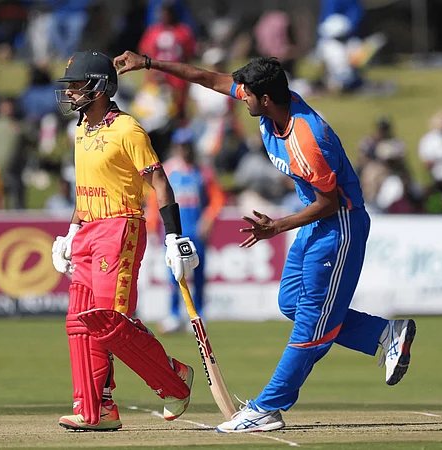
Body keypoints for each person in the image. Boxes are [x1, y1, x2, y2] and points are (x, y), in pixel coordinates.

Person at [114, 50, 417, 433]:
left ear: (267, 99)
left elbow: (330, 203)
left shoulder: (307, 139)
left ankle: (267, 408)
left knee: (311, 325)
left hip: (339, 226)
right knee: (291, 302)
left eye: (248, 95)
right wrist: (149, 63)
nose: (241, 98)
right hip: (315, 222)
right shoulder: (269, 103)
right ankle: (384, 334)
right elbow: (209, 79)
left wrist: (277, 227)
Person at [51, 50, 198, 431]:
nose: (70, 93)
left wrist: (174, 237)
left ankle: (173, 379)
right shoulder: (81, 129)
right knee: (80, 322)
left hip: (120, 228)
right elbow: (86, 188)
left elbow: (159, 182)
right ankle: (97, 409)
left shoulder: (128, 130)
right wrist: (70, 232)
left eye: (77, 85)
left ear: (99, 88)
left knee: (110, 323)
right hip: (87, 230)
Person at [147, 128, 225, 334]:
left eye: (188, 146)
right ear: (176, 147)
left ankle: (198, 316)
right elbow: (155, 200)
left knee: (198, 275)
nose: (185, 150)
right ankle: (173, 315)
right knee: (174, 274)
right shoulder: (168, 170)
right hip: (173, 234)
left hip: (196, 232)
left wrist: (208, 219)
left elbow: (217, 199)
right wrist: (152, 225)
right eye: (181, 146)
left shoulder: (203, 172)